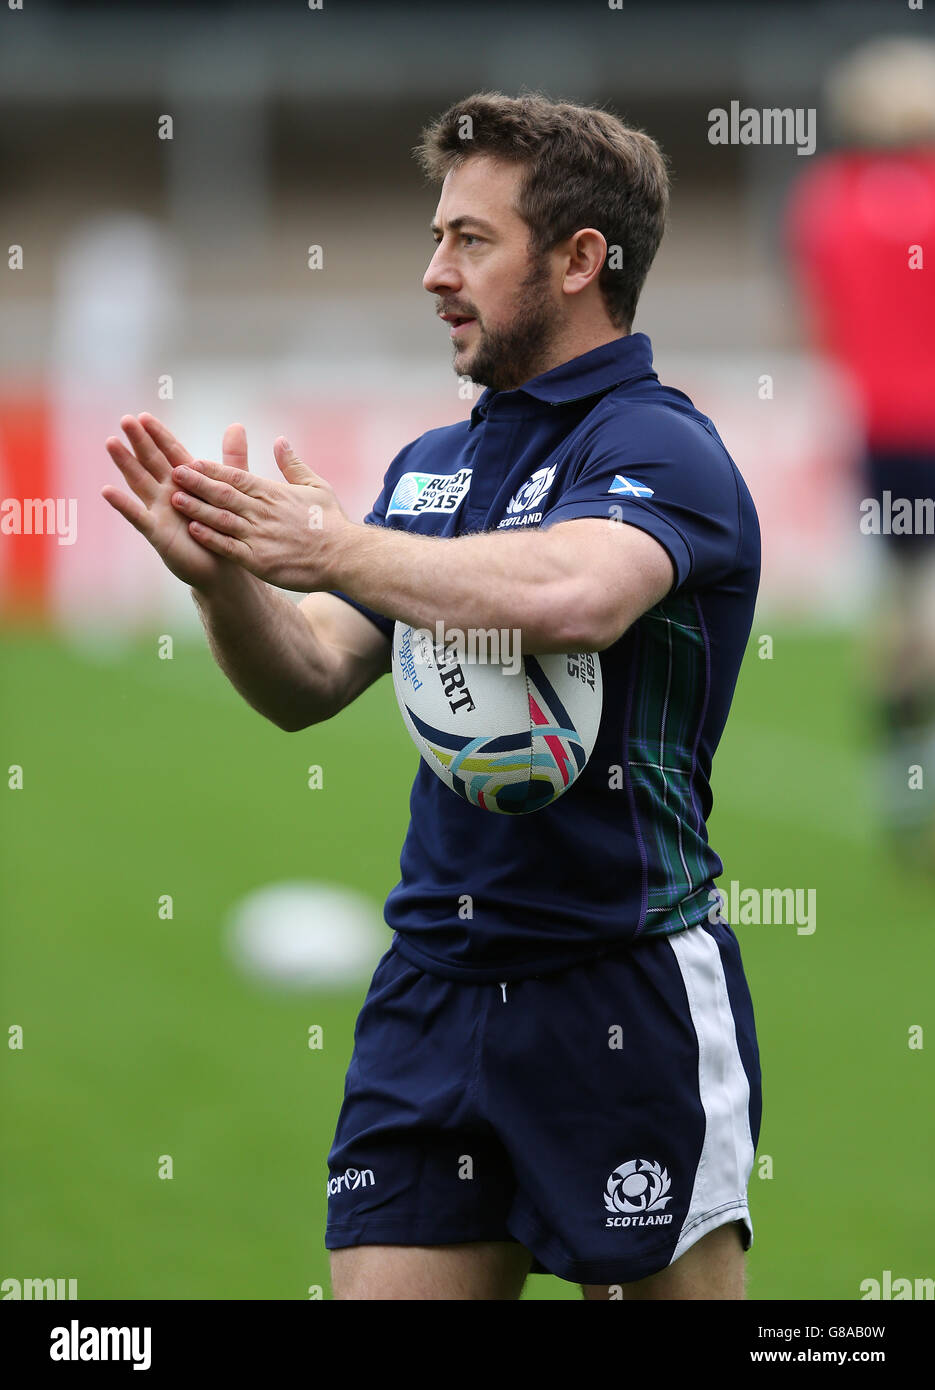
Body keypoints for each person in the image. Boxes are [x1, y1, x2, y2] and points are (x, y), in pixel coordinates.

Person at [103, 92, 762, 1301]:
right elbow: (306, 677)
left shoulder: (660, 449)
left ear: (577, 261)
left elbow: (575, 593)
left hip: (620, 990)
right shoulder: (433, 466)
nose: (431, 273)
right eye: (434, 236)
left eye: (469, 240)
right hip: (432, 991)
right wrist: (225, 584)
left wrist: (336, 548)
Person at [785, 38, 935, 858]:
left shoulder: (826, 201)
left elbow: (818, 317)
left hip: (880, 428)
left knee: (900, 607)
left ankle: (901, 780)